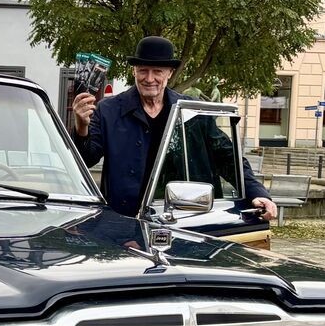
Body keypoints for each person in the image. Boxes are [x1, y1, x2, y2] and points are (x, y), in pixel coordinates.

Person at [69, 36, 277, 221]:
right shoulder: (109, 109)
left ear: (170, 72)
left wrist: (257, 193)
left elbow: (227, 157)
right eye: (143, 70)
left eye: (157, 71)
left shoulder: (192, 111)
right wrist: (81, 126)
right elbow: (85, 159)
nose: (149, 78)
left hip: (178, 220)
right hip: (123, 223)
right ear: (134, 71)